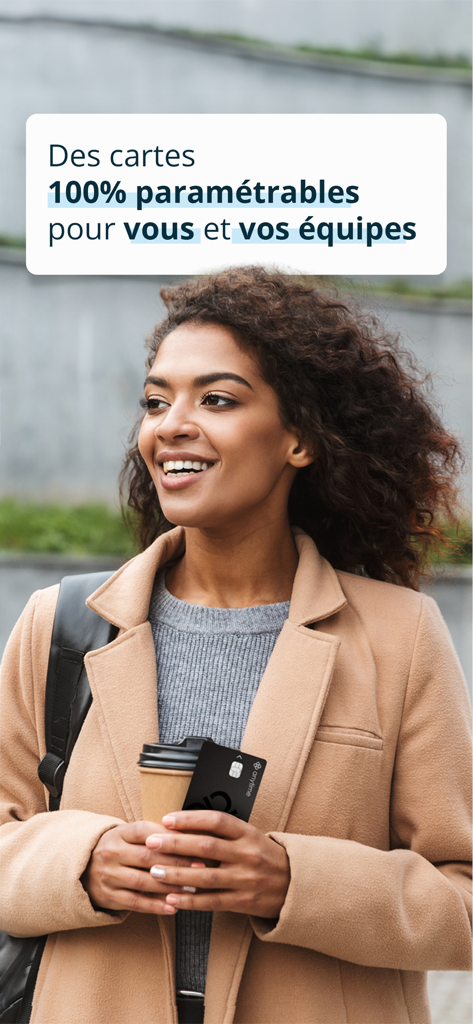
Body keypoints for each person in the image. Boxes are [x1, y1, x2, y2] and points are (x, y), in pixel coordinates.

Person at [0, 266, 471, 1024]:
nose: (170, 425)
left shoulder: (398, 638)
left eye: (215, 399)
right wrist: (81, 863)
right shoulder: (58, 623)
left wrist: (292, 880)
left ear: (301, 440)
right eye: (155, 401)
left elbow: (462, 899)